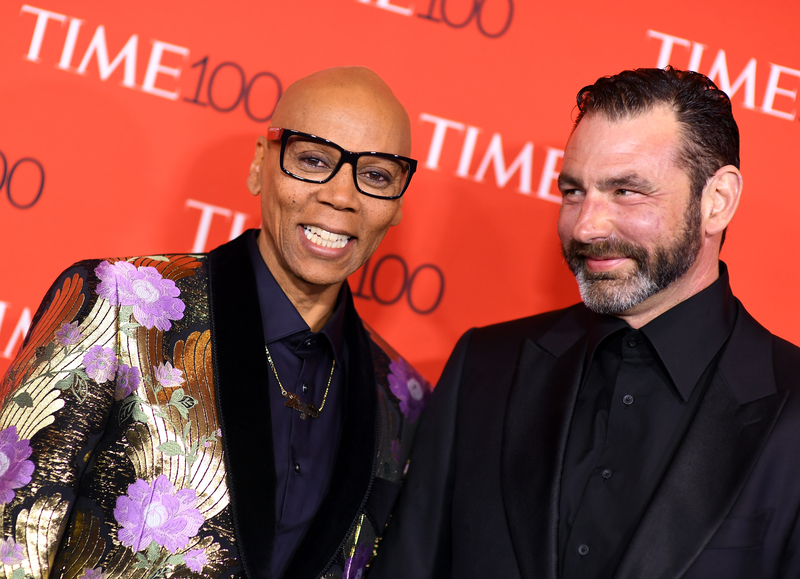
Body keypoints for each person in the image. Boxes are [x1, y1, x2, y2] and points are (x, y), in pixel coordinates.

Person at [0, 66, 431, 579]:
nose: (341, 195)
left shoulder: (403, 398)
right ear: (258, 166)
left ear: (398, 203)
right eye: (313, 160)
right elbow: (12, 530)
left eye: (377, 175)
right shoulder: (119, 304)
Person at [370, 66, 800, 579]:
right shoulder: (484, 368)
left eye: (627, 191)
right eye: (574, 191)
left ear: (718, 201)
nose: (587, 225)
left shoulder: (791, 409)